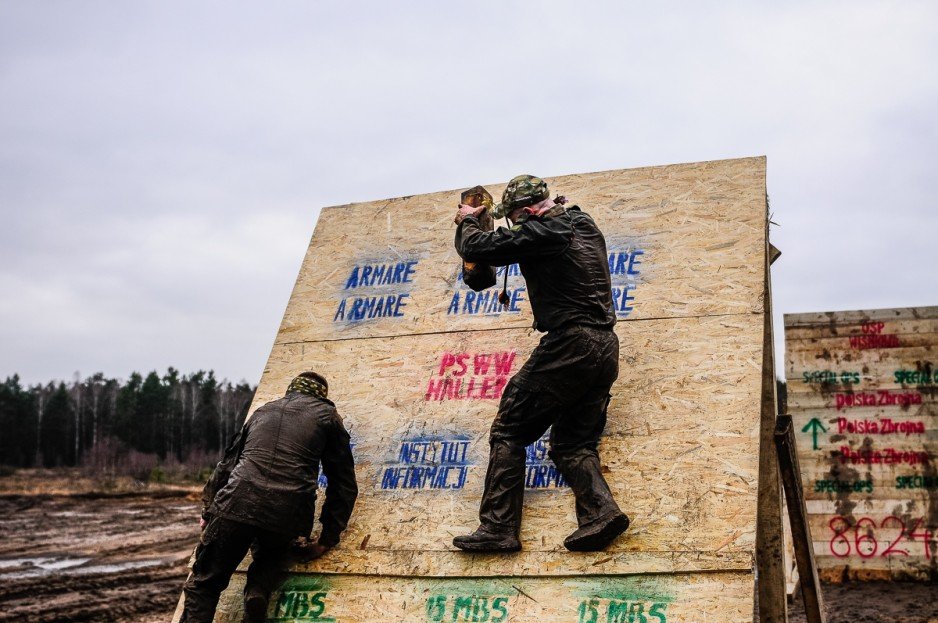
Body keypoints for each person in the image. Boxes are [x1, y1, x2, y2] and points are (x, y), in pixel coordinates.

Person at [451, 174, 629, 553]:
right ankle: (601, 513)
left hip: (570, 344)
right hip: (605, 348)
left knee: (509, 431)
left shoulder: (545, 231)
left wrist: (468, 218)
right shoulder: (581, 222)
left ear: (529, 211)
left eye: (515, 218)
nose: (515, 225)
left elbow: (475, 244)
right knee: (573, 444)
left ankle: (498, 527)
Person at [180, 372, 358, 623]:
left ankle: (256, 591)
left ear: (291, 391)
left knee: (205, 584)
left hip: (235, 503)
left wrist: (208, 511)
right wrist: (327, 539)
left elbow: (227, 465)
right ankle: (257, 591)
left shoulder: (262, 412)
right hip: (287, 512)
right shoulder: (327, 417)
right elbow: (343, 484)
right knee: (272, 554)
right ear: (322, 396)